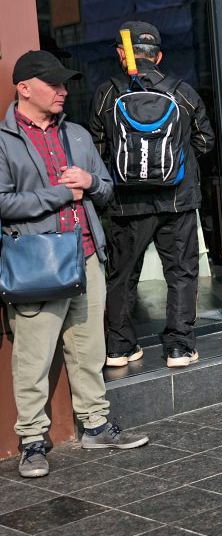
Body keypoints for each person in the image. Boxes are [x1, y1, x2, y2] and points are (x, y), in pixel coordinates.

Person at [3, 51, 150, 478]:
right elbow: (2, 202)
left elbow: (105, 190)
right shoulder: (2, 140)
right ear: (24, 88)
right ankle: (32, 441)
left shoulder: (80, 136)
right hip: (37, 262)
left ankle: (96, 425)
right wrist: (59, 194)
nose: (63, 91)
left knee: (89, 351)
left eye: (66, 83)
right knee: (33, 357)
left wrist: (89, 183)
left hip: (86, 256)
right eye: (54, 84)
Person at [89, 21, 215, 369]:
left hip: (126, 204)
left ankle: (118, 347)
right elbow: (205, 142)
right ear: (158, 56)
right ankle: (179, 347)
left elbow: (97, 147)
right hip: (177, 200)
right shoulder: (182, 92)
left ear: (121, 53)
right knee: (181, 273)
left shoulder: (106, 93)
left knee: (123, 274)